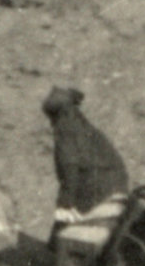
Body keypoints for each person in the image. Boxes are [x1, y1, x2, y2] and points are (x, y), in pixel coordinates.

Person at [42, 86, 129, 251]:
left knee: (64, 239)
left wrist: (64, 206)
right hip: (117, 187)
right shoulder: (86, 128)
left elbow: (70, 174)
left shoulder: (66, 133)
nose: (51, 123)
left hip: (96, 192)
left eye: (52, 118)